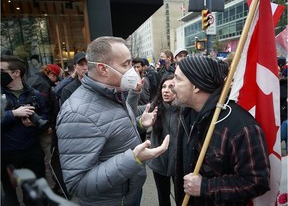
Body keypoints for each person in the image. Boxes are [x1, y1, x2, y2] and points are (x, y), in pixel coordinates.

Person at [56, 36, 170, 206]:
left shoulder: (114, 93)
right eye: (125, 64)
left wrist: (139, 122)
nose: (132, 70)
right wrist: (133, 159)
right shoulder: (77, 113)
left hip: (129, 194)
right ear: (103, 69)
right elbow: (77, 184)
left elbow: (110, 130)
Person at [172, 56, 270, 205]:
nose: (172, 84)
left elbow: (257, 181)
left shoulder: (242, 127)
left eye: (177, 79)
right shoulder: (187, 115)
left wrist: (205, 187)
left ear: (196, 86)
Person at [1, 55, 47, 206]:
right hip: (6, 153)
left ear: (16, 73)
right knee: (10, 196)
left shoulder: (35, 94)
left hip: (32, 151)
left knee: (35, 195)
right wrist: (13, 114)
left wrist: (34, 124)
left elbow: (45, 118)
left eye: (2, 70)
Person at [146, 74, 180, 206]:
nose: (166, 90)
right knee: (163, 199)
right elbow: (132, 112)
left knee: (181, 199)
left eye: (171, 87)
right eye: (163, 86)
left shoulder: (186, 110)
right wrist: (135, 92)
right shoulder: (154, 107)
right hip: (159, 164)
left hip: (178, 166)